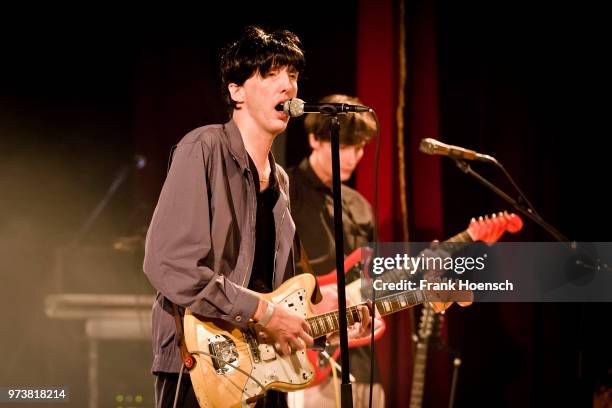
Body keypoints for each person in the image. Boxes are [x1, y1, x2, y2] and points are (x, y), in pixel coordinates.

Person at [287, 94, 385, 407]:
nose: (353, 157)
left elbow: (374, 280)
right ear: (315, 139)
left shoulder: (361, 207)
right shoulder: (285, 192)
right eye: (343, 146)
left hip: (363, 364)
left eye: (359, 147)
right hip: (306, 357)